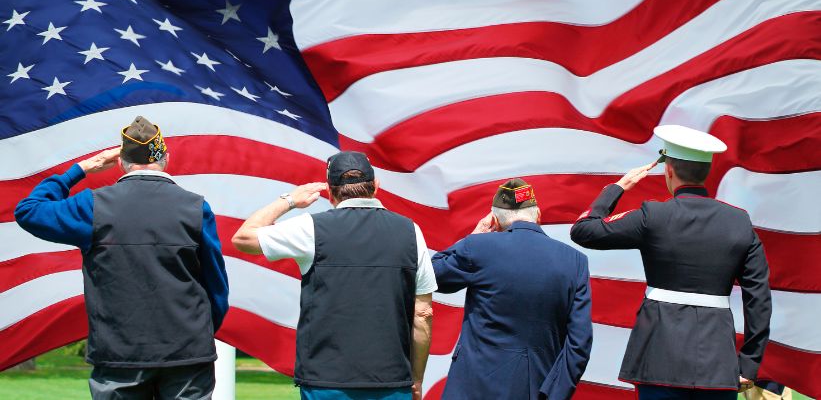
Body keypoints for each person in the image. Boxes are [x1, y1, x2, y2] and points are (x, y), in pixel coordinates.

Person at [15, 116, 229, 400]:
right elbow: (216, 284)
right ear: (165, 157)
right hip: (187, 351)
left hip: (119, 352)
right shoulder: (195, 207)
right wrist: (198, 330)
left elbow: (29, 211)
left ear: (120, 161)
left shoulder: (93, 205)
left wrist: (78, 170)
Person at [570, 124, 772, 399]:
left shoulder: (653, 216)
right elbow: (758, 298)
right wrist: (749, 363)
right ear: (707, 172)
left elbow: (583, 231)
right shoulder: (739, 222)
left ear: (669, 170)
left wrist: (618, 187)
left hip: (658, 358)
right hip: (716, 365)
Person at [231, 151, 437, 400]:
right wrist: (416, 379)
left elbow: (243, 238)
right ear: (376, 186)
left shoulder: (310, 229)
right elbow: (423, 314)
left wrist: (289, 200)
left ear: (330, 191)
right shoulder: (410, 231)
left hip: (326, 380)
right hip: (391, 380)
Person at [432, 178, 593, 400]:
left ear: (495, 221)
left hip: (472, 388)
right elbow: (579, 343)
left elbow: (430, 275)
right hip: (535, 388)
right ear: (538, 216)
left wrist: (474, 237)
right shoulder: (575, 262)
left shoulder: (478, 248)